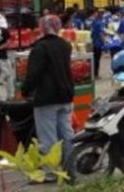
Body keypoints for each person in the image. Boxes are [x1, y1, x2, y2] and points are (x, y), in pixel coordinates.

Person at [21, 15, 75, 166]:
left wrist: (25, 90)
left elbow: (33, 74)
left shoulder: (40, 48)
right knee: (67, 134)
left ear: (42, 28)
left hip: (46, 98)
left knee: (48, 139)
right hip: (66, 95)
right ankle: (70, 165)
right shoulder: (66, 45)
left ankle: (51, 172)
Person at [89, 8, 105, 79]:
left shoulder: (94, 22)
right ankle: (96, 75)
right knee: (97, 60)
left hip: (93, 42)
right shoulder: (100, 23)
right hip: (98, 44)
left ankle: (93, 74)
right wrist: (104, 42)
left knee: (94, 59)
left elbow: (91, 32)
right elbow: (101, 34)